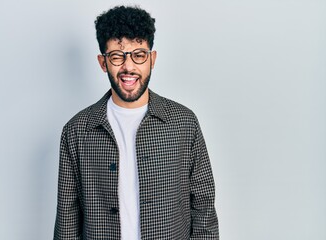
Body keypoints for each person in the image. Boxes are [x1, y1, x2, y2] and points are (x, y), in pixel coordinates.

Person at [54, 5, 219, 240]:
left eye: (139, 55)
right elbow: (67, 213)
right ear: (103, 62)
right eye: (117, 56)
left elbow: (203, 206)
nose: (128, 67)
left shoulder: (184, 122)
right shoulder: (77, 130)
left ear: (152, 59)